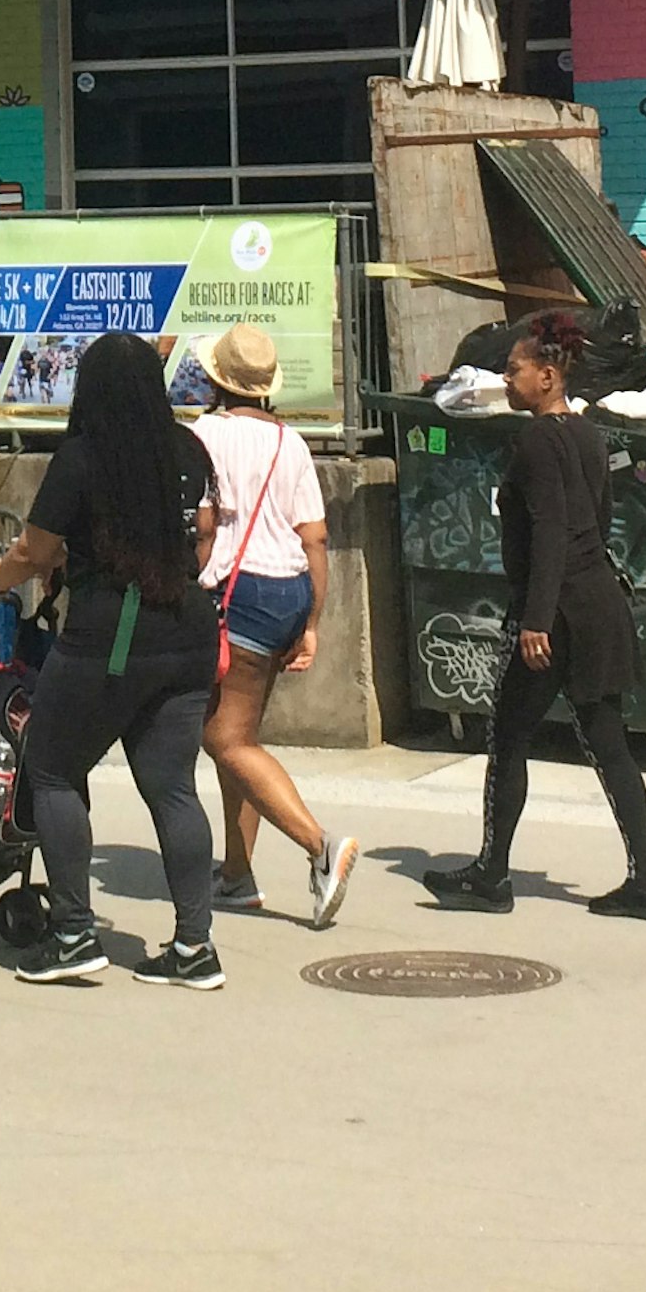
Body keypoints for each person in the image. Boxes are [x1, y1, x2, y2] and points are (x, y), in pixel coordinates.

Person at [0, 332, 224, 987]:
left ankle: (75, 932)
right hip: (188, 628)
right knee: (172, 787)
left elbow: (33, 549)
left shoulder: (80, 459)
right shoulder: (189, 449)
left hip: (112, 635)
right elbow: (200, 538)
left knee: (52, 768)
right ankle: (196, 947)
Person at [420, 310, 646, 923]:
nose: (507, 380)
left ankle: (491, 875)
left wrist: (534, 620)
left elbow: (554, 530)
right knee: (609, 742)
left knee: (507, 737)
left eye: (515, 370)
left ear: (549, 375)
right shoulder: (589, 435)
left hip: (558, 612)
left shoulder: (536, 440)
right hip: (599, 606)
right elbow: (598, 517)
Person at [187, 325, 359, 928]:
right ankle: (236, 873)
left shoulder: (202, 435)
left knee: (225, 740)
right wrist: (311, 620)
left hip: (238, 593)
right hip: (288, 590)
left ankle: (320, 848)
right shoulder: (290, 442)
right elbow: (315, 537)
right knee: (240, 737)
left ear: (215, 379)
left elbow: (205, 529)